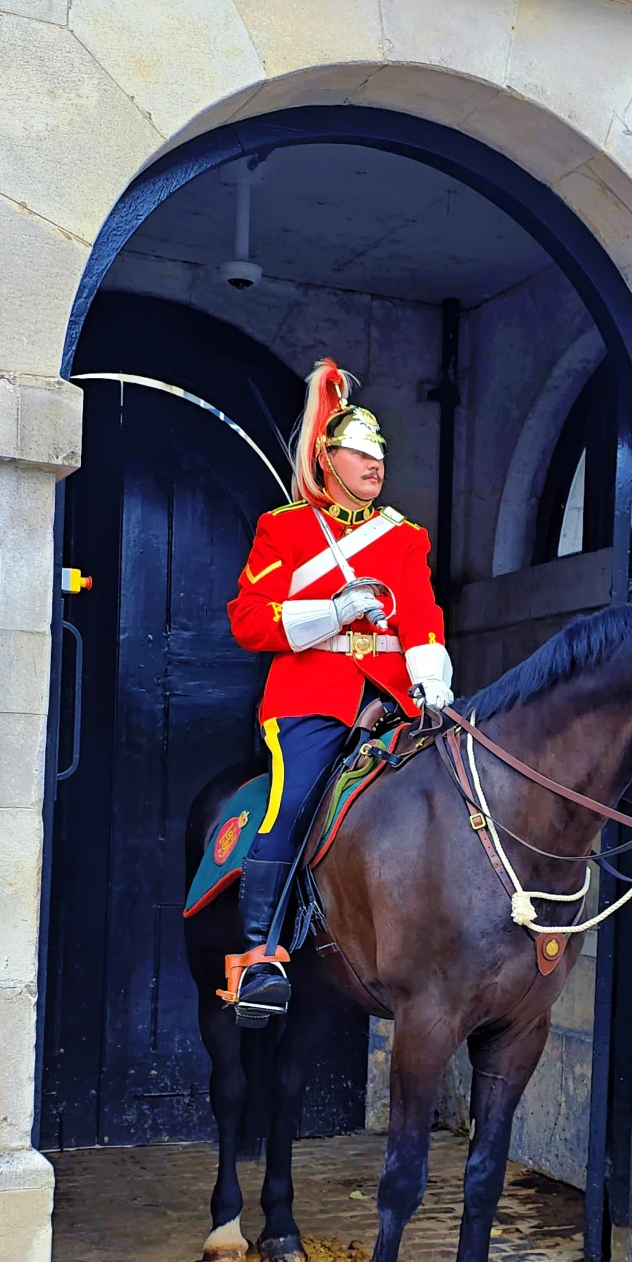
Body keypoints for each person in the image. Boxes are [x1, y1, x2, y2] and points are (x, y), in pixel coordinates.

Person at [224, 358, 453, 1024]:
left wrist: (432, 685)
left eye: (379, 453)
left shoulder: (405, 536)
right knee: (292, 802)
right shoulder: (286, 528)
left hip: (393, 697)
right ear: (329, 458)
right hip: (310, 696)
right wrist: (334, 610)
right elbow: (249, 619)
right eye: (358, 452)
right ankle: (260, 957)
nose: (373, 463)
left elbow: (422, 615)